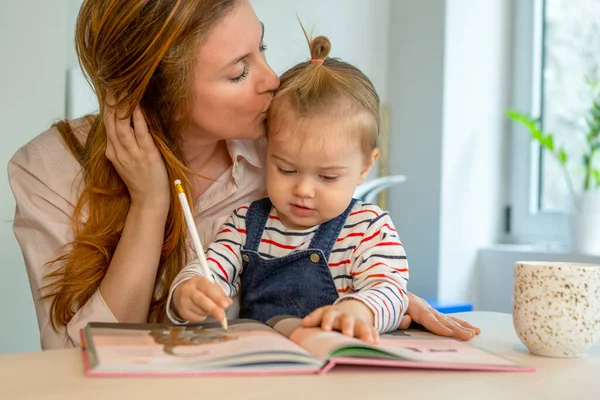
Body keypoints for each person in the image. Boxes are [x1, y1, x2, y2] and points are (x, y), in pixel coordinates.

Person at [8, 0, 479, 350]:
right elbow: (80, 355)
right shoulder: (47, 173)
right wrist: (151, 204)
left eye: (263, 48)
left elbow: (344, 255)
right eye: (238, 72)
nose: (272, 80)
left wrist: (377, 300)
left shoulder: (280, 152)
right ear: (157, 93)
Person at [169, 33, 408, 343]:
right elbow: (210, 268)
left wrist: (361, 309)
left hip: (339, 374)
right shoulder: (245, 223)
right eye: (286, 169)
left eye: (328, 177)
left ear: (364, 167)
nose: (304, 190)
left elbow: (391, 290)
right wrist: (188, 292)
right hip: (262, 365)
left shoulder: (368, 228)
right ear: (267, 152)